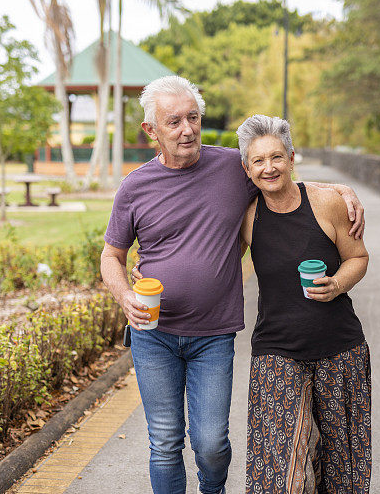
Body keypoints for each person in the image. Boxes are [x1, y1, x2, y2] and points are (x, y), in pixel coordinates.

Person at [100, 76, 365, 494]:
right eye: (174, 121)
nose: (187, 129)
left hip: (213, 334)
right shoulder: (134, 187)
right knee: (165, 442)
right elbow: (111, 255)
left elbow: (279, 176)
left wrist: (340, 189)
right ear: (151, 131)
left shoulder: (231, 166)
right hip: (154, 334)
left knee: (210, 445)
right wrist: (125, 295)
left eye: (193, 117)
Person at [237, 115, 372, 493]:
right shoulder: (247, 217)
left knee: (342, 467)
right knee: (280, 469)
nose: (269, 168)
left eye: (277, 157)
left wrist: (336, 284)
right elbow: (210, 257)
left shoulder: (328, 204)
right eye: (258, 161)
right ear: (247, 169)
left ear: (292, 157)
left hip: (340, 348)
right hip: (276, 349)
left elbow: (358, 258)